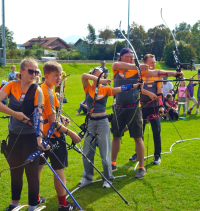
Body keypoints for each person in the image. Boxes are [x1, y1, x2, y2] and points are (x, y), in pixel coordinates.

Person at [111, 48, 184, 179]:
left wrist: (174, 73)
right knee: (116, 135)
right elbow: (116, 64)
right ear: (121, 57)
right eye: (127, 57)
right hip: (119, 108)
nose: (130, 59)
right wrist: (138, 66)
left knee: (138, 137)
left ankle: (141, 167)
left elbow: (156, 72)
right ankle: (112, 163)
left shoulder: (137, 70)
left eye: (132, 57)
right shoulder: (117, 68)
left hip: (134, 108)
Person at [79, 67, 143, 188]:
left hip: (103, 122)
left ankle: (108, 178)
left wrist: (135, 85)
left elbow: (120, 89)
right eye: (99, 76)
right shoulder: (88, 87)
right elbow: (83, 75)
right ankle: (87, 177)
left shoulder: (106, 89)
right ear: (93, 76)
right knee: (87, 151)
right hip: (91, 122)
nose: (102, 78)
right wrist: (99, 80)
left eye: (102, 76)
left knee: (105, 151)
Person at [0, 58, 46, 211]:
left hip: (30, 138)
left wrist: (39, 137)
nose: (34, 74)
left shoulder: (37, 90)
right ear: (21, 71)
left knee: (31, 173)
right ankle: (14, 204)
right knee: (15, 171)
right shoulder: (11, 85)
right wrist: (15, 113)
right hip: (14, 135)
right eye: (31, 71)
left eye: (36, 71)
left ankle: (33, 206)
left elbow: (39, 115)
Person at [38, 61, 82, 211]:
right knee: (59, 170)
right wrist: (71, 133)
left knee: (37, 168)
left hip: (40, 136)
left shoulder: (41, 89)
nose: (59, 78)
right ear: (46, 76)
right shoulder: (48, 94)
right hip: (53, 136)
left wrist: (60, 118)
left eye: (60, 75)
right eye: (56, 75)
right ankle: (63, 205)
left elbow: (50, 116)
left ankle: (35, 199)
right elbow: (52, 123)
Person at [129, 54, 164, 165]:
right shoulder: (139, 74)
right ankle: (137, 154)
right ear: (145, 63)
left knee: (156, 131)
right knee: (139, 132)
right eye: (151, 62)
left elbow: (159, 92)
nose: (154, 64)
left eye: (154, 62)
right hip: (141, 106)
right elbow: (139, 89)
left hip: (154, 106)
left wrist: (161, 105)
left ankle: (157, 156)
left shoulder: (157, 76)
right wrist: (149, 93)